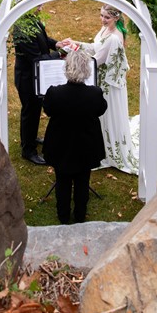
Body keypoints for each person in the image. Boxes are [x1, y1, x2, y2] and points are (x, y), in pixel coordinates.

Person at [42, 48, 107, 224]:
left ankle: (63, 216)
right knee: (82, 182)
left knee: (62, 181)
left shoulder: (54, 93)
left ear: (67, 69)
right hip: (86, 146)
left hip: (60, 144)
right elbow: (101, 109)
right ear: (87, 70)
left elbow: (47, 110)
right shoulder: (95, 93)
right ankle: (80, 215)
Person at [64, 4, 132, 171]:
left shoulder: (115, 38)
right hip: (102, 79)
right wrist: (76, 44)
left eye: (106, 17)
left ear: (116, 18)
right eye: (101, 15)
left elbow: (95, 60)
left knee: (106, 116)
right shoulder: (105, 30)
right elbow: (95, 47)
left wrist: (73, 52)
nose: (102, 20)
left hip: (107, 84)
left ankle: (108, 152)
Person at [13, 9, 63, 165]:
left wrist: (56, 44)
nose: (40, 8)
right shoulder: (22, 28)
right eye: (38, 5)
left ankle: (30, 138)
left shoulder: (32, 19)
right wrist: (59, 55)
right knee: (30, 110)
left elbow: (43, 39)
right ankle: (28, 150)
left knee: (34, 110)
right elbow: (36, 58)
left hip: (36, 75)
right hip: (27, 78)